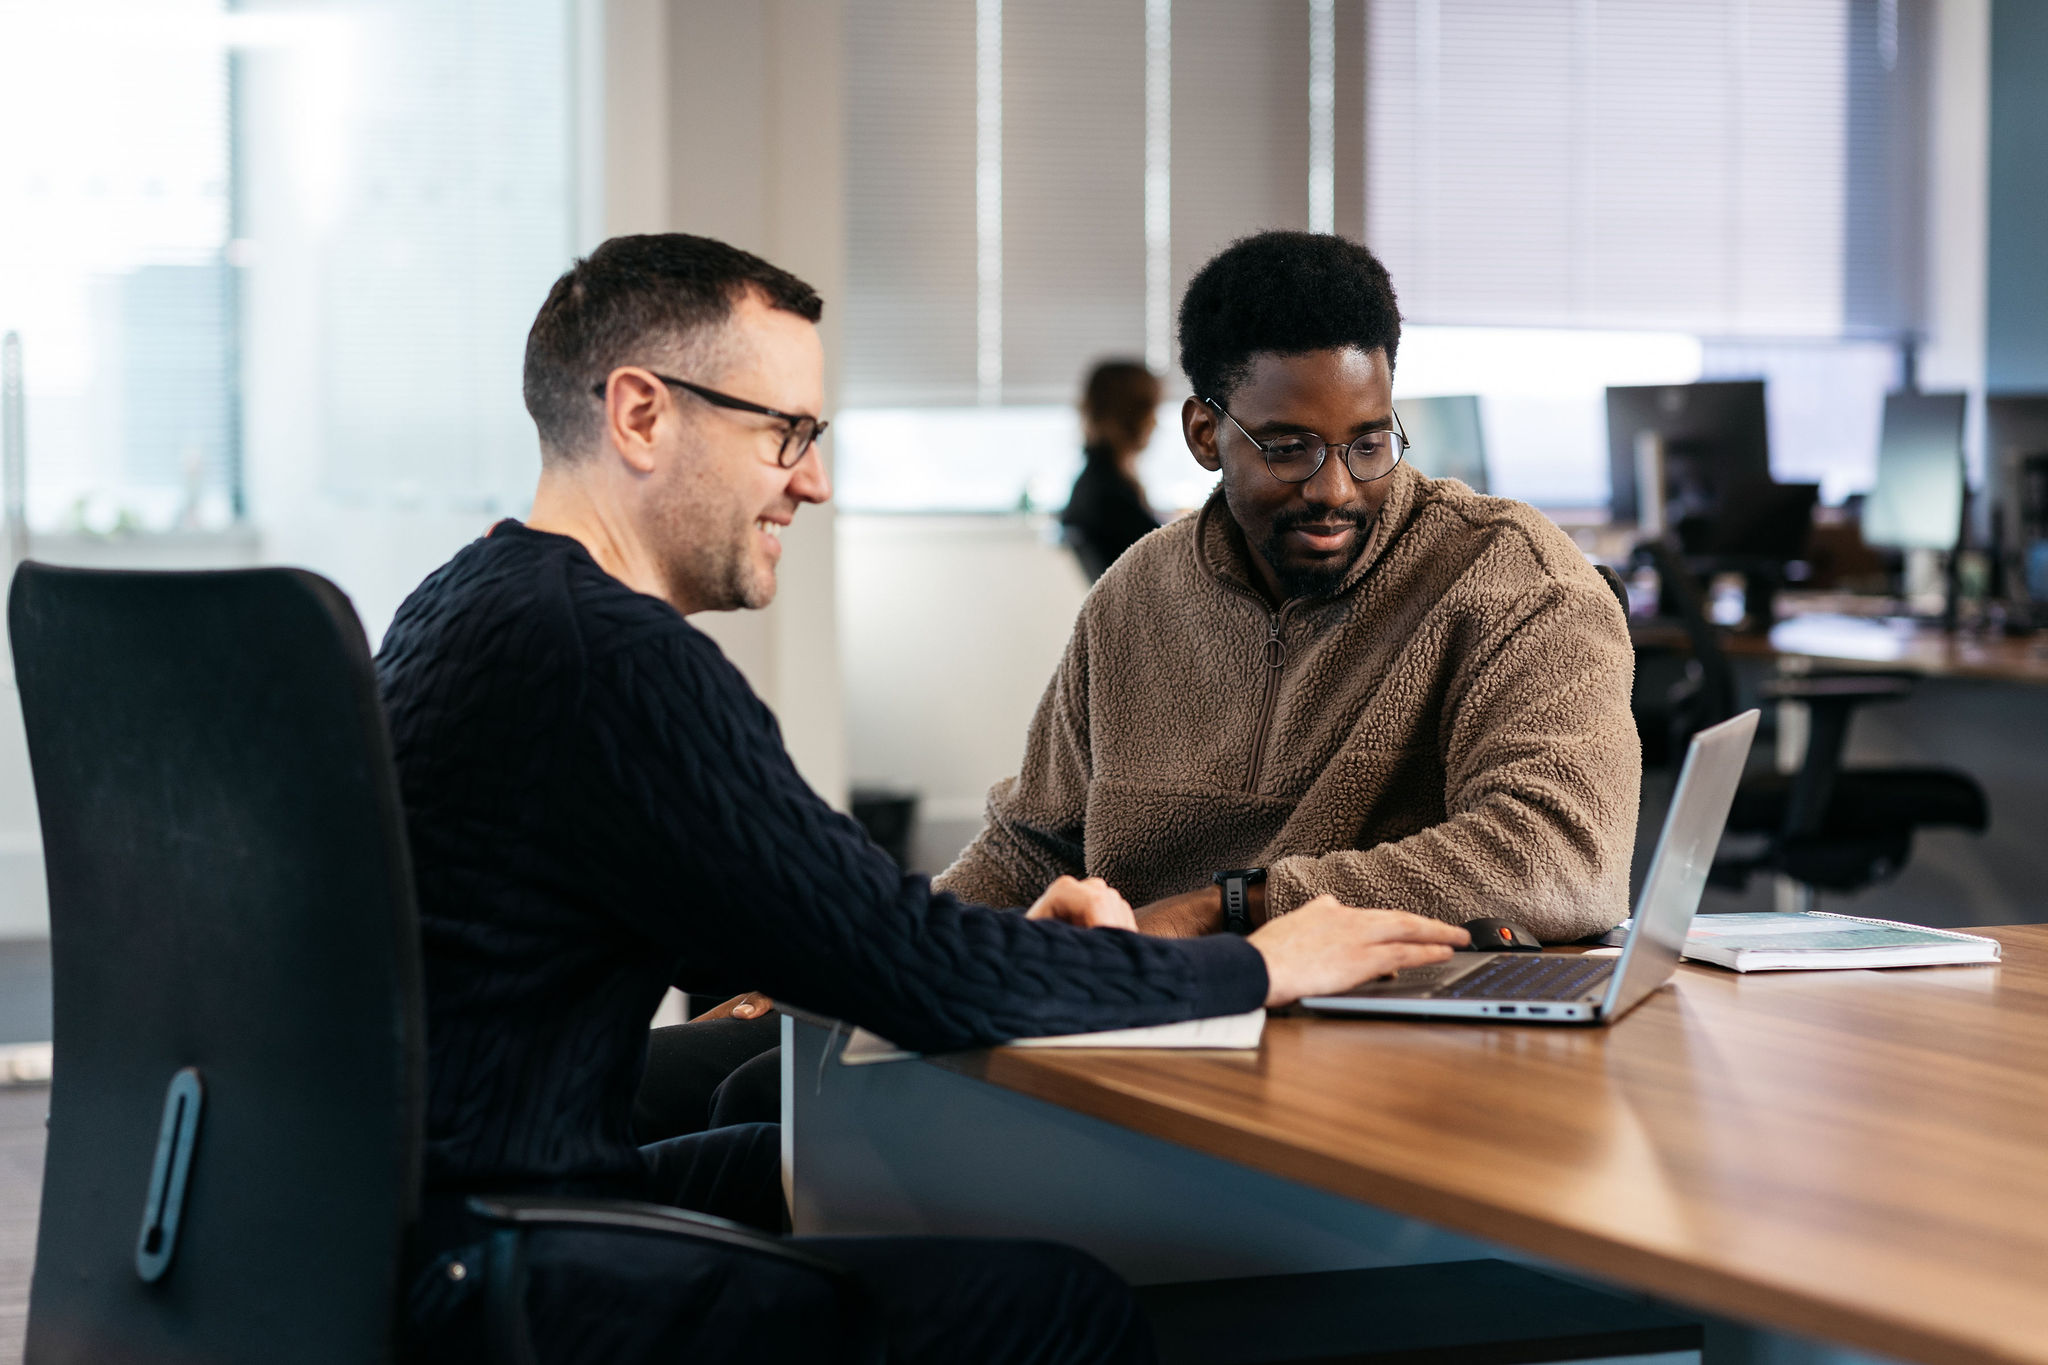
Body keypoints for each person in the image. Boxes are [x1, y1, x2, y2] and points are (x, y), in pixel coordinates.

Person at [375, 232, 1469, 1365]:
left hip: (436, 1216)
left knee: (806, 1159)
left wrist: (1002, 949)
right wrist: (1260, 963)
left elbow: (842, 929)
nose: (814, 479)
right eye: (782, 433)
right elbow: (905, 966)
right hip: (505, 1267)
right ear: (642, 416)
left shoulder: (466, 601)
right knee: (1058, 1307)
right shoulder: (607, 660)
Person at [936, 230, 1640, 945]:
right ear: (1206, 434)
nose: (1334, 489)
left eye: (1368, 443)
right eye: (1288, 448)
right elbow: (1028, 848)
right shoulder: (1132, 597)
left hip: (1399, 1030)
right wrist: (897, 944)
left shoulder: (1513, 578)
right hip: (1154, 1017)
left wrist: (1231, 905)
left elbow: (1564, 859)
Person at [1061, 360, 1164, 581]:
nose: (1156, 423)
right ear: (1130, 415)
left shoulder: (1098, 482)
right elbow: (1163, 560)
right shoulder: (1107, 495)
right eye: (1151, 410)